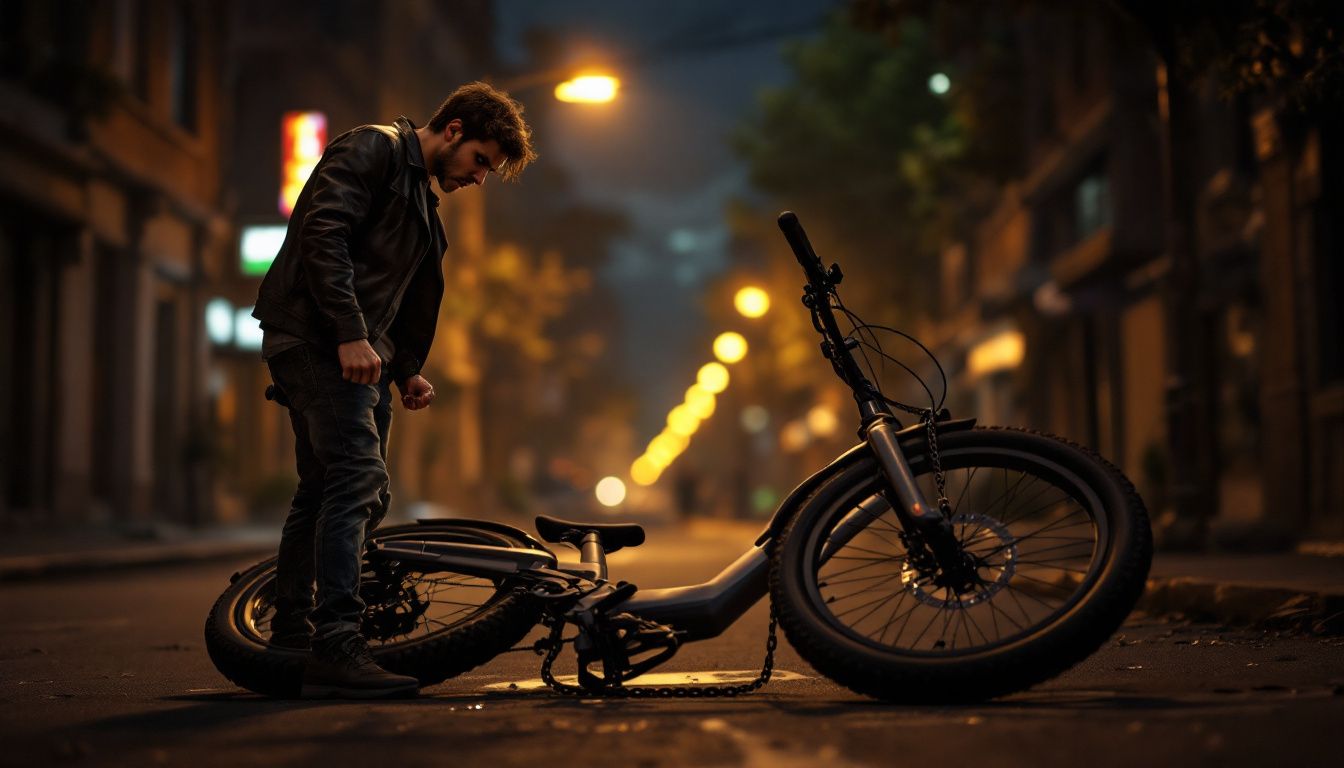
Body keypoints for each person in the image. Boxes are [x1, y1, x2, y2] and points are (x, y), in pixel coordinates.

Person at [252, 82, 536, 698]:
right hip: (316, 339)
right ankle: (336, 645)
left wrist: (407, 368)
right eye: (481, 160)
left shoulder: (424, 211)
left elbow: (404, 302)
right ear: (453, 130)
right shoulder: (373, 149)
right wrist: (352, 334)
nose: (480, 177)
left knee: (327, 486)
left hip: (360, 357)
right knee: (358, 476)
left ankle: (293, 635)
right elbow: (322, 235)